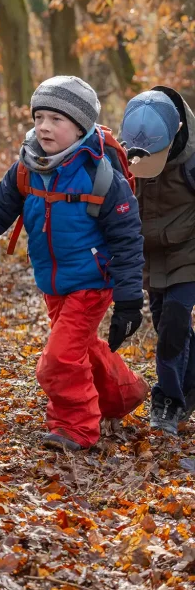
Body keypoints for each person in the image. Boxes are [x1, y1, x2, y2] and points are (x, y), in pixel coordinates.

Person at [0, 76, 149, 451]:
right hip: (53, 282)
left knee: (57, 360)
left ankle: (74, 428)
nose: (44, 126)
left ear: (80, 125)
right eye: (39, 116)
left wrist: (127, 301)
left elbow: (127, 239)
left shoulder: (100, 174)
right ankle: (124, 395)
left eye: (56, 119)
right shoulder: (28, 165)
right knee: (80, 348)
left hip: (92, 281)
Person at [118, 87, 195, 435]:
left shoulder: (192, 160)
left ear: (177, 130)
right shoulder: (126, 154)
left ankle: (167, 401)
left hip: (188, 251)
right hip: (151, 255)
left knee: (174, 325)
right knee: (167, 322)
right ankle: (189, 387)